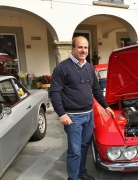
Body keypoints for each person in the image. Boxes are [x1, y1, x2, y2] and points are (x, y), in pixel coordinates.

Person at [49, 36, 115, 180]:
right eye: (80, 47)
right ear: (73, 48)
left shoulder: (89, 67)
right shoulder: (62, 68)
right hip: (72, 117)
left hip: (89, 114)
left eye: (85, 47)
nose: (83, 50)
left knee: (85, 146)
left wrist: (106, 106)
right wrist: (62, 114)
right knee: (74, 151)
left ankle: (81, 173)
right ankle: (73, 178)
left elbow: (96, 89)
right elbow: (54, 92)